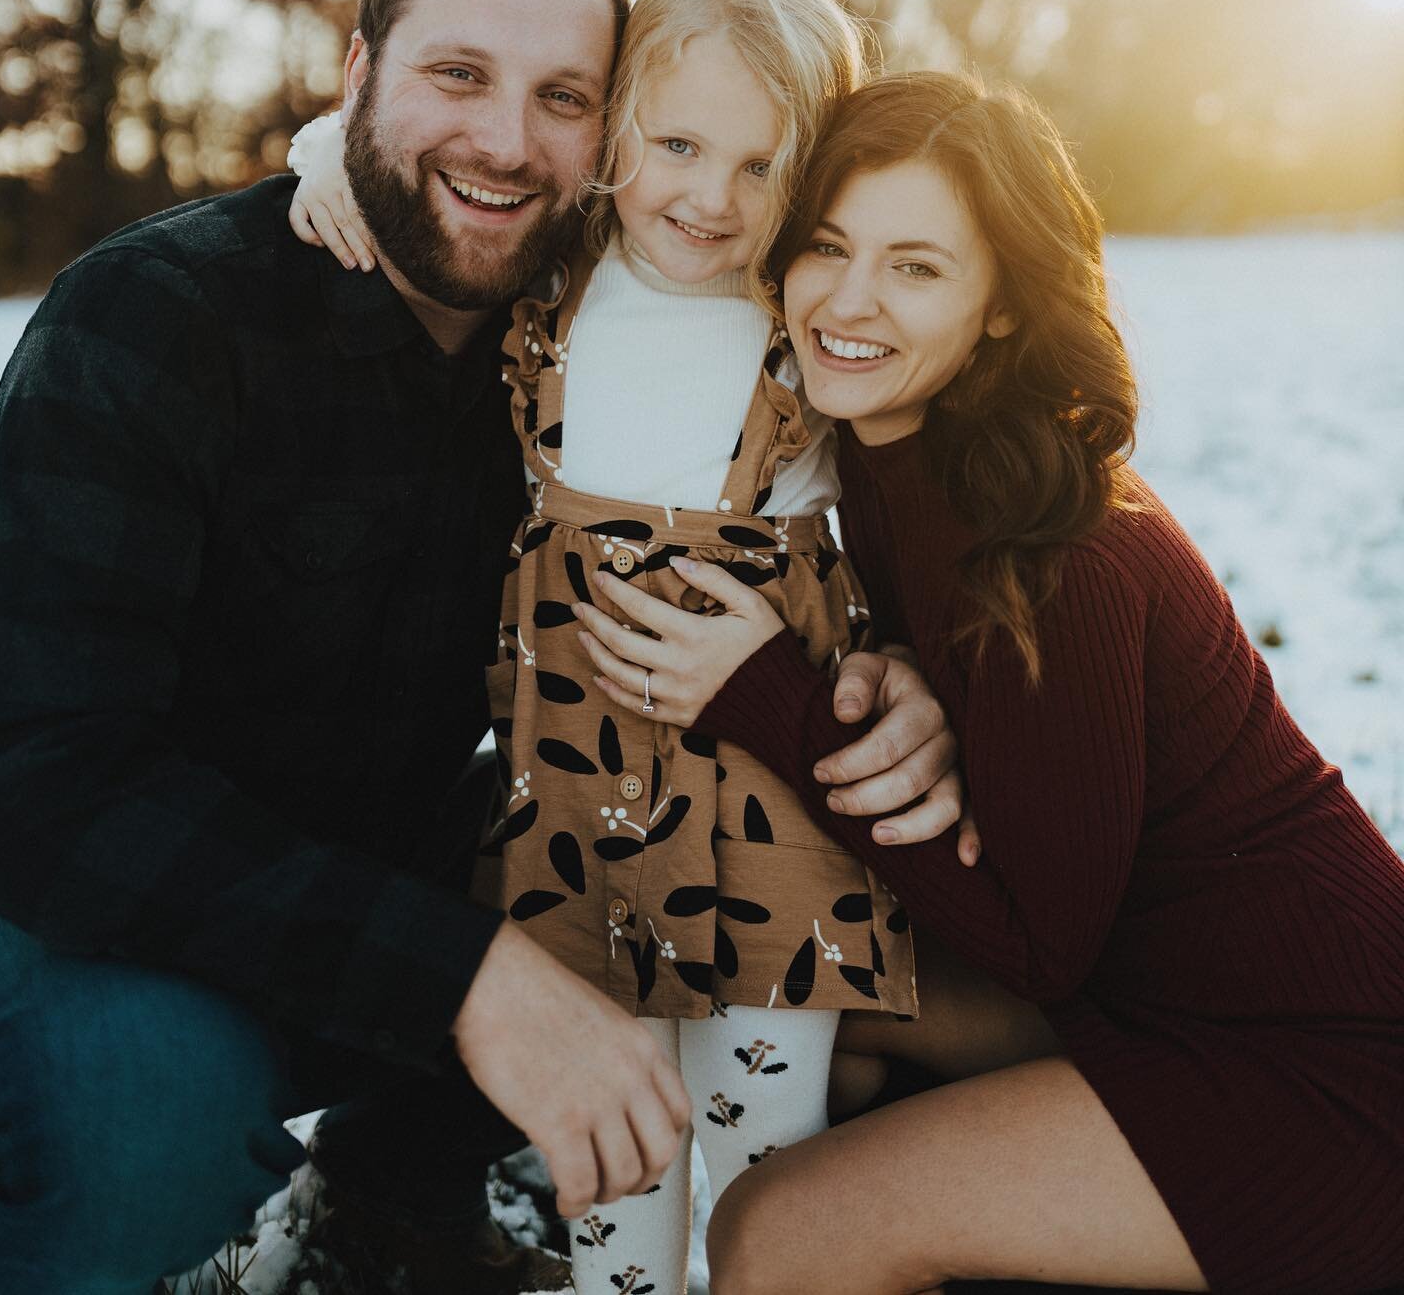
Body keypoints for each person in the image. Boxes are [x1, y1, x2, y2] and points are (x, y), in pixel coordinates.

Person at [0, 0, 964, 1295]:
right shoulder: (156, 321)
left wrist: (897, 673)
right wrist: (466, 976)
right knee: (152, 1105)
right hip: (92, 891)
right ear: (357, 65)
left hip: (408, 848)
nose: (505, 140)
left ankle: (386, 1196)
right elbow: (35, 778)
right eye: (456, 75)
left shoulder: (567, 305)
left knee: (643, 882)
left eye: (562, 95)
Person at [575, 72, 1404, 1295]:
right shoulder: (879, 459)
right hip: (1149, 993)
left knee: (775, 1233)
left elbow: (1038, 943)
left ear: (1004, 304)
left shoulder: (1057, 546)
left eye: (916, 267)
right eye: (829, 246)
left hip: (1318, 1074)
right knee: (792, 1012)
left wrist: (768, 696)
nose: (849, 301)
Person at [287, 0, 942, 1295]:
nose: (711, 198)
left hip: (770, 820)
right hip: (576, 814)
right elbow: (392, 140)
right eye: (680, 144)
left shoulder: (810, 314)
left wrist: (905, 662)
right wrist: (316, 157)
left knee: (768, 1167)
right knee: (611, 1151)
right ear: (617, 128)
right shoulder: (565, 266)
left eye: (765, 165)